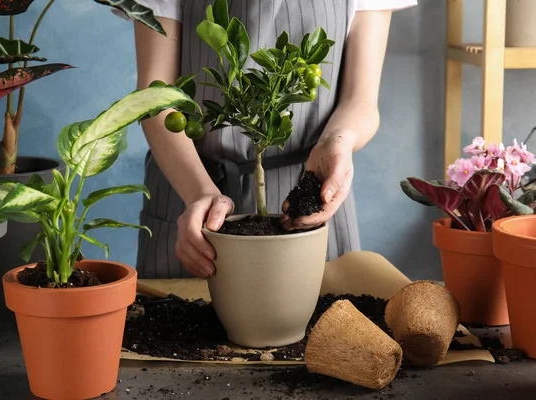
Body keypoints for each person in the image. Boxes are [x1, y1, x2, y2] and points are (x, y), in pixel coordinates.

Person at [129, 0, 416, 279]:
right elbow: (155, 99)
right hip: (190, 190)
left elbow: (361, 101)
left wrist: (337, 141)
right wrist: (198, 192)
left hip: (306, 188)